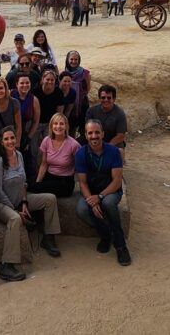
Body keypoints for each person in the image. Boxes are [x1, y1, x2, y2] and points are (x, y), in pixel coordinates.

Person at [0, 126, 61, 282]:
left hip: (18, 199)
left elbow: (23, 182)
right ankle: (6, 265)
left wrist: (23, 201)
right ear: (1, 142)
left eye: (12, 138)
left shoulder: (19, 155)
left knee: (50, 199)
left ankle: (48, 238)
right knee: (15, 219)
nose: (10, 141)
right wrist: (14, 209)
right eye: (6, 139)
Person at [75, 120, 131, 266]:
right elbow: (82, 182)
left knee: (108, 203)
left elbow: (117, 181)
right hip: (91, 191)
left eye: (97, 132)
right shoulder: (81, 153)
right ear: (86, 135)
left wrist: (99, 197)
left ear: (103, 134)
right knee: (81, 209)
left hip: (110, 191)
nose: (94, 136)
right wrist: (92, 202)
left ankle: (120, 246)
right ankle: (105, 234)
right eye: (90, 133)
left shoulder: (113, 152)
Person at [32, 113, 80, 197]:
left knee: (32, 187)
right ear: (51, 126)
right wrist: (38, 182)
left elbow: (81, 166)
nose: (58, 126)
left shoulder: (74, 144)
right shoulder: (46, 140)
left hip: (65, 181)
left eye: (61, 124)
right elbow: (44, 164)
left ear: (66, 126)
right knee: (28, 182)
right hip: (49, 176)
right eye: (55, 123)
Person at [30, 70, 64, 166]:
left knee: (48, 148)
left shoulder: (58, 92)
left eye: (52, 80)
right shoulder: (35, 91)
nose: (50, 82)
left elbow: (59, 112)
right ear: (42, 80)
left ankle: (46, 168)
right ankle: (34, 170)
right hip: (36, 123)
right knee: (33, 149)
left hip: (50, 123)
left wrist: (57, 126)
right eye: (47, 79)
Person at [10, 73, 40, 180]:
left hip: (24, 134)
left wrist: (28, 138)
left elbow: (36, 121)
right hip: (10, 131)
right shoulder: (10, 94)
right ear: (17, 84)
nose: (25, 85)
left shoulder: (34, 100)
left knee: (25, 160)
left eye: (27, 83)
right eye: (22, 83)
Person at [85, 85, 127, 160]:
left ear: (114, 99)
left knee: (120, 152)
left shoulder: (120, 113)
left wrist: (107, 146)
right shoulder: (91, 111)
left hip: (113, 141)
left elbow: (120, 136)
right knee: (76, 145)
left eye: (109, 98)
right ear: (99, 98)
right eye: (103, 97)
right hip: (94, 138)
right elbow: (87, 130)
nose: (106, 100)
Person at [64, 51, 91, 136]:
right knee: (71, 127)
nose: (73, 61)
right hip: (69, 104)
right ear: (67, 60)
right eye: (71, 59)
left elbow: (88, 87)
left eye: (76, 59)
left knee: (83, 127)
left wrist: (80, 97)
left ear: (79, 60)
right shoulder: (64, 73)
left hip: (82, 103)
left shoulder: (84, 73)